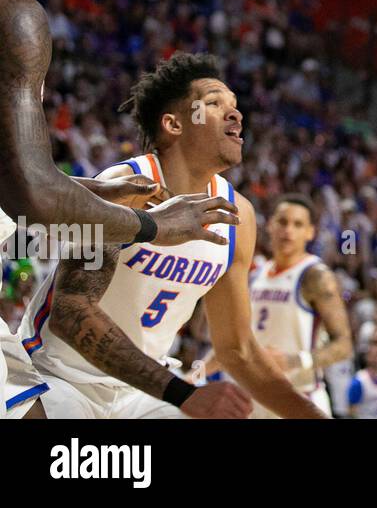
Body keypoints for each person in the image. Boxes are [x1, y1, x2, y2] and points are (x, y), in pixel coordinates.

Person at [0, 0, 238, 418]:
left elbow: (13, 183)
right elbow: (30, 192)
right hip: (72, 380)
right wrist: (155, 228)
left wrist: (89, 190)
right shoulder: (16, 16)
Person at [8, 53, 325, 418]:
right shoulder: (123, 188)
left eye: (235, 106)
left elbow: (237, 350)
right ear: (174, 124)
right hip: (59, 376)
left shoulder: (240, 216)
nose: (236, 114)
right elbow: (71, 312)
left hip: (141, 389)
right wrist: (182, 394)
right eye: (213, 104)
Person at [203, 194, 353, 417]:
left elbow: (344, 345)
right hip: (252, 402)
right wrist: (195, 374)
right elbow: (233, 343)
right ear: (271, 225)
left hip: (299, 397)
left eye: (298, 224)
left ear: (310, 232)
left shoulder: (315, 275)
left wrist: (294, 360)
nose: (288, 231)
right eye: (282, 222)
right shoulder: (255, 275)